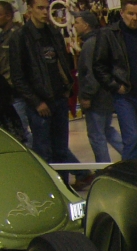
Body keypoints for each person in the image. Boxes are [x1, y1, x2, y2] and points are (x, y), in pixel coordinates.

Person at [8, 0, 81, 176]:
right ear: (30, 9)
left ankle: (64, 184)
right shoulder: (20, 37)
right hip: (39, 104)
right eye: (40, 8)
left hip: (59, 98)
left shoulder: (54, 33)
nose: (44, 12)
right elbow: (17, 77)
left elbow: (62, 62)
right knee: (43, 151)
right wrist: (36, 102)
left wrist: (67, 88)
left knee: (61, 150)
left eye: (47, 8)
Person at [93, 0, 137, 160]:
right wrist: (115, 86)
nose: (134, 18)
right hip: (125, 96)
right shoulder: (109, 35)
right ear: (122, 13)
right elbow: (98, 66)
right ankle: (129, 172)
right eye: (130, 14)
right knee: (132, 139)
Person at [74, 10, 123, 163]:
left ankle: (104, 167)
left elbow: (92, 73)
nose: (75, 26)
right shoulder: (102, 40)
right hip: (106, 95)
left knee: (97, 135)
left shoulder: (90, 45)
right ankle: (131, 156)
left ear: (86, 25)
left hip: (97, 98)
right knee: (107, 130)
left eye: (77, 22)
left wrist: (87, 95)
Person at [0, 0, 30, 142]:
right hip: (6, 95)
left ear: (8, 16)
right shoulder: (3, 37)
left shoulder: (17, 35)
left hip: (16, 93)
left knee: (21, 135)